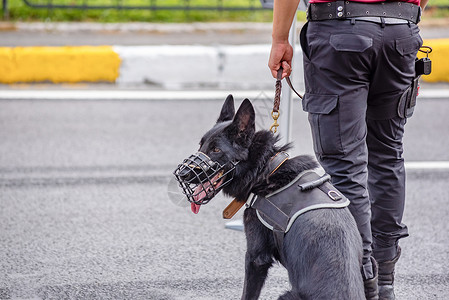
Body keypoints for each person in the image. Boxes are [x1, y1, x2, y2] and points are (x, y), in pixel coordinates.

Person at [268, 0, 429, 299]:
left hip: (339, 32)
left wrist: (280, 38)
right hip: (401, 34)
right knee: (388, 157)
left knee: (345, 165)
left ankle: (362, 280)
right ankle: (384, 281)